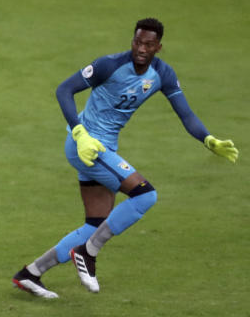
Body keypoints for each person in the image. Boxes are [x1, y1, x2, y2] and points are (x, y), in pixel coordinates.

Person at [13, 18, 239, 299]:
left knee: (96, 223)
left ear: (158, 46)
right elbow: (64, 90)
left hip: (105, 146)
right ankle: (87, 253)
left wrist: (208, 139)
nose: (141, 48)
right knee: (145, 196)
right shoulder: (109, 65)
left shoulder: (163, 74)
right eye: (137, 42)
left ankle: (31, 274)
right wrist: (80, 133)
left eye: (148, 44)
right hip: (87, 144)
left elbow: (186, 114)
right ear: (132, 41)